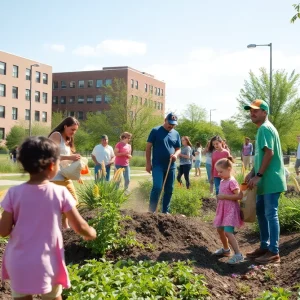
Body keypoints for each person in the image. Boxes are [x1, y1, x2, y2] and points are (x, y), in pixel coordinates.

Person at [0, 136, 96, 300]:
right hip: (47, 262)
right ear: (52, 166)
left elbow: (3, 231)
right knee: (52, 297)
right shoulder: (60, 193)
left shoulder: (13, 193)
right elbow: (79, 226)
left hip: (19, 262)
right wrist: (90, 232)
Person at [244, 99, 286, 264]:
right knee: (261, 212)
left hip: (270, 180)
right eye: (250, 110)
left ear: (264, 112)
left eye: (255, 110)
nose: (252, 113)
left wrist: (258, 175)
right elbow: (261, 155)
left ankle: (274, 252)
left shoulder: (265, 128)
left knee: (270, 214)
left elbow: (270, 154)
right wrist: (252, 172)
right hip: (264, 181)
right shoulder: (264, 129)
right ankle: (264, 246)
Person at [48, 116, 81, 229]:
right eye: (72, 129)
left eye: (76, 130)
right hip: (55, 176)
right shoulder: (56, 135)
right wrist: (70, 157)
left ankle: (64, 226)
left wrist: (77, 173)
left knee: (72, 202)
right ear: (65, 126)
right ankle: (61, 226)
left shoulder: (68, 139)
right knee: (70, 202)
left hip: (65, 175)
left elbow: (67, 162)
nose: (74, 132)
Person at [146, 113, 181, 213]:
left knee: (169, 189)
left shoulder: (176, 134)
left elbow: (178, 149)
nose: (171, 126)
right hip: (158, 165)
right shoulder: (155, 131)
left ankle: (165, 211)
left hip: (171, 166)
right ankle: (151, 211)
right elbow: (148, 148)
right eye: (170, 123)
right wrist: (148, 163)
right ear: (165, 120)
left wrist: (175, 155)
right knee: (157, 187)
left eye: (173, 124)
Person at [213, 157, 244, 264]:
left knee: (228, 232)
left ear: (229, 169)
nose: (219, 174)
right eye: (218, 171)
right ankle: (226, 250)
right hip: (223, 210)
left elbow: (239, 196)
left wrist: (224, 196)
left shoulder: (232, 181)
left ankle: (238, 254)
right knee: (219, 229)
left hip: (231, 210)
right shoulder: (222, 181)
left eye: (221, 171)